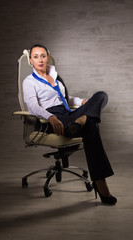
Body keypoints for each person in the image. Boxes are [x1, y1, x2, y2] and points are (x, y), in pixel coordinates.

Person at [23, 44, 117, 205]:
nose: (40, 59)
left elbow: (65, 98)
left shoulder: (54, 75)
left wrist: (84, 102)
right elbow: (33, 106)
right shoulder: (29, 81)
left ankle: (82, 119)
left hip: (69, 114)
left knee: (101, 95)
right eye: (36, 56)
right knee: (91, 126)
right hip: (52, 118)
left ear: (48, 57)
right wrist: (51, 117)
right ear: (31, 60)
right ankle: (100, 182)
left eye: (43, 55)